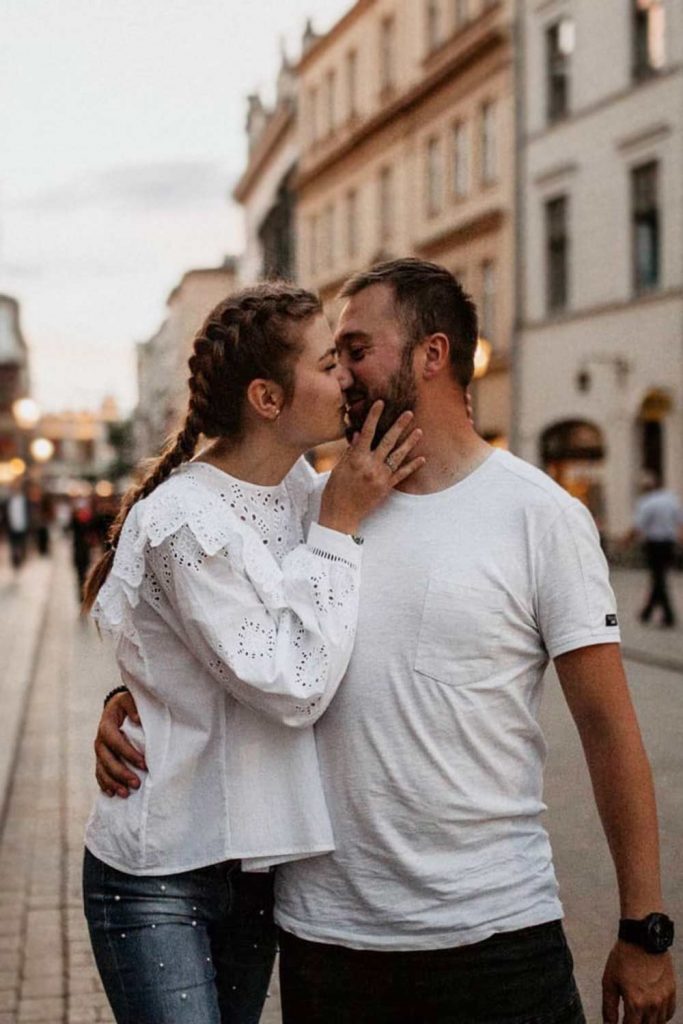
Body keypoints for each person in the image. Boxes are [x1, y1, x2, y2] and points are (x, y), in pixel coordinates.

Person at [96, 260, 676, 1024]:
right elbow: (215, 635)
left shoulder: (538, 514)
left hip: (497, 928)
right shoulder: (314, 502)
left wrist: (643, 925)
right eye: (328, 358)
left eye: (354, 351)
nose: (341, 376)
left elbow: (607, 728)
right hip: (325, 936)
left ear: (432, 356)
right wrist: (132, 697)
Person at [81, 281, 423, 1024]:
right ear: (267, 400)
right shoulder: (182, 519)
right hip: (160, 871)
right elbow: (294, 682)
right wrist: (336, 529)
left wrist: (123, 697)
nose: (345, 378)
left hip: (260, 868)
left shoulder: (304, 488)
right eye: (328, 362)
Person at [625, 472, 682, 628]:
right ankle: (647, 612)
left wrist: (626, 541)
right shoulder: (671, 499)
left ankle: (667, 616)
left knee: (658, 579)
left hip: (654, 544)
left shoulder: (647, 502)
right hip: (669, 544)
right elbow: (680, 522)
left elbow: (638, 525)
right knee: (659, 578)